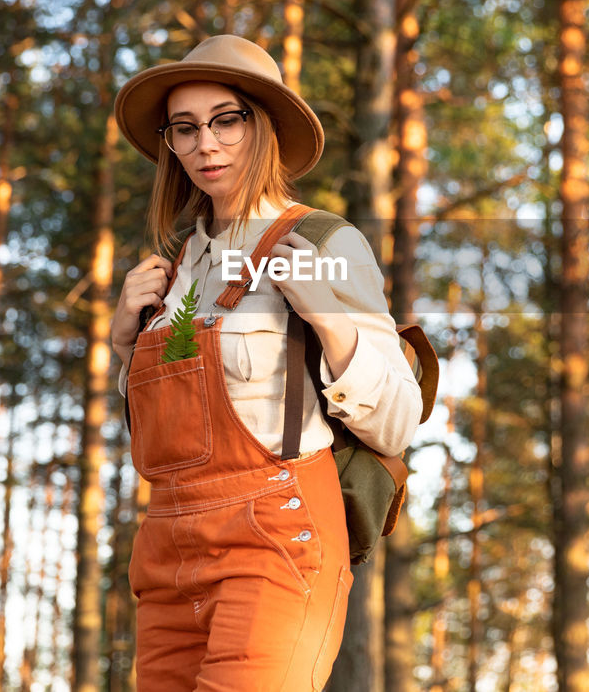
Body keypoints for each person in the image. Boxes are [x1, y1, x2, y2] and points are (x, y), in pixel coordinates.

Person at [108, 34, 423, 691]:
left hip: (274, 539)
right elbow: (173, 438)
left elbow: (397, 421)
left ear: (265, 126)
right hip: (165, 555)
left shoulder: (325, 242)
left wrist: (329, 318)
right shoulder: (173, 270)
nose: (206, 145)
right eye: (185, 128)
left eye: (227, 119)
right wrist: (123, 348)